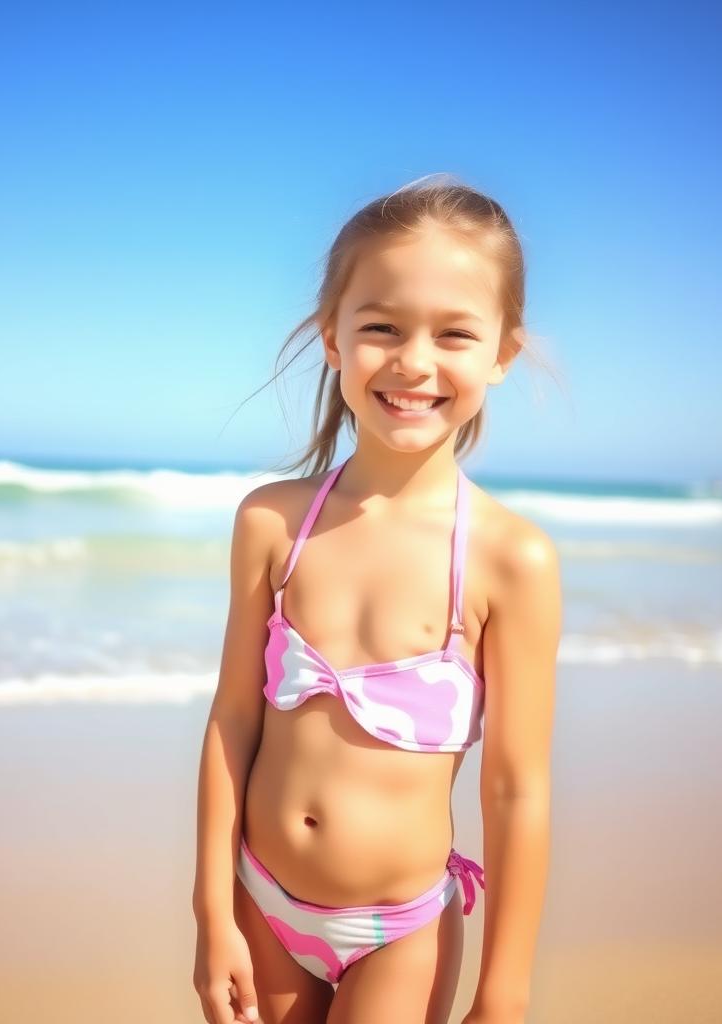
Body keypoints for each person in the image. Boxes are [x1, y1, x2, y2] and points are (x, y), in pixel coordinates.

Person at [192, 173, 562, 1024]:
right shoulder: (273, 524)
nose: (414, 362)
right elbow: (232, 722)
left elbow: (516, 789)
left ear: (502, 352)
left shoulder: (511, 560)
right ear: (332, 336)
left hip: (400, 934)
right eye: (382, 327)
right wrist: (213, 914)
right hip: (262, 900)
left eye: (456, 333)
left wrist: (504, 994)